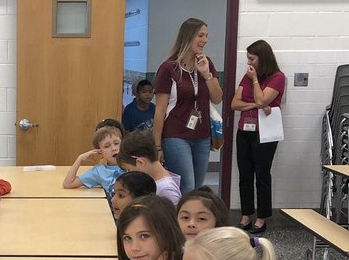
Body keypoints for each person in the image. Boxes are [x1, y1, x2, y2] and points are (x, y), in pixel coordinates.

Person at [153, 17, 223, 194]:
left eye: (206, 35)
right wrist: (157, 146)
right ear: (188, 36)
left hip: (202, 135)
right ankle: (179, 221)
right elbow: (160, 111)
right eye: (200, 35)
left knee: (196, 189)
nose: (205, 40)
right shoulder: (168, 68)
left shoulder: (207, 63)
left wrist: (206, 74)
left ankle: (189, 220)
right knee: (187, 187)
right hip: (176, 135)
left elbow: (217, 98)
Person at [231, 40, 286, 234]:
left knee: (262, 175)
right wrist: (256, 105)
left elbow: (263, 99)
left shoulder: (277, 77)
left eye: (252, 59)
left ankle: (261, 218)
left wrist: (255, 83)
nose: (249, 63)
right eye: (248, 58)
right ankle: (246, 216)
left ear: (263, 58)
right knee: (245, 174)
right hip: (244, 130)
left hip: (265, 133)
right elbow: (234, 104)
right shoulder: (246, 77)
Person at [117, 130, 182, 206]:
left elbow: (170, 217)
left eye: (129, 170)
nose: (128, 173)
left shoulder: (166, 191)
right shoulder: (153, 182)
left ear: (140, 162)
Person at [62, 125, 122, 197]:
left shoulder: (133, 163)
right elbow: (68, 184)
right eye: (107, 146)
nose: (113, 148)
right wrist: (80, 159)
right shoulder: (99, 171)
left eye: (116, 143)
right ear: (100, 152)